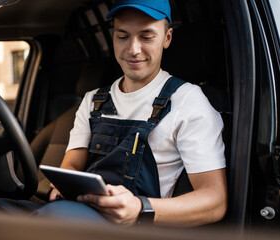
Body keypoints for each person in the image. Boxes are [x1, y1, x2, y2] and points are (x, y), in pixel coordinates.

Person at [40, 0, 227, 227]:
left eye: (146, 37)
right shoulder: (93, 101)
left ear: (167, 38)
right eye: (123, 36)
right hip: (80, 215)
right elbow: (71, 166)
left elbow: (215, 201)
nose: (133, 49)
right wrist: (64, 184)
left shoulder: (187, 101)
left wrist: (139, 208)